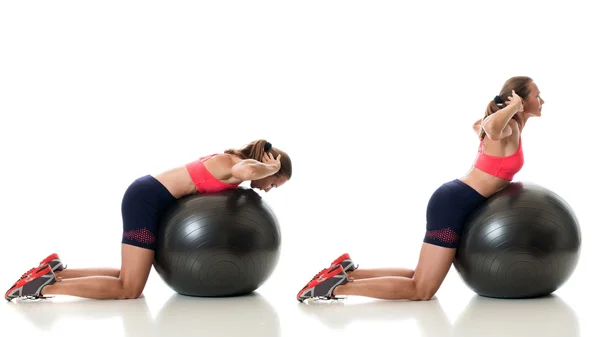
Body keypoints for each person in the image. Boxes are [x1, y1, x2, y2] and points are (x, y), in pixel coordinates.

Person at [297, 76, 544, 302]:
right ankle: (334, 287)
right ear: (521, 99)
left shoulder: (510, 127)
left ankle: (348, 271)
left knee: (419, 275)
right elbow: (489, 128)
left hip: (455, 199)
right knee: (422, 290)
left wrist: (507, 111)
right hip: (455, 205)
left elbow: (478, 125)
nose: (542, 100)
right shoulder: (508, 127)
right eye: (537, 95)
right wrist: (512, 108)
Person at [5, 139, 292, 302]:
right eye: (274, 183)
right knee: (129, 289)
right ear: (267, 167)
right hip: (146, 201)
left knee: (126, 275)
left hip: (148, 195)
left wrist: (267, 168)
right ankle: (43, 286)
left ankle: (55, 271)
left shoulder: (230, 161)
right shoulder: (235, 165)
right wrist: (270, 166)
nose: (269, 189)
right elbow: (245, 170)